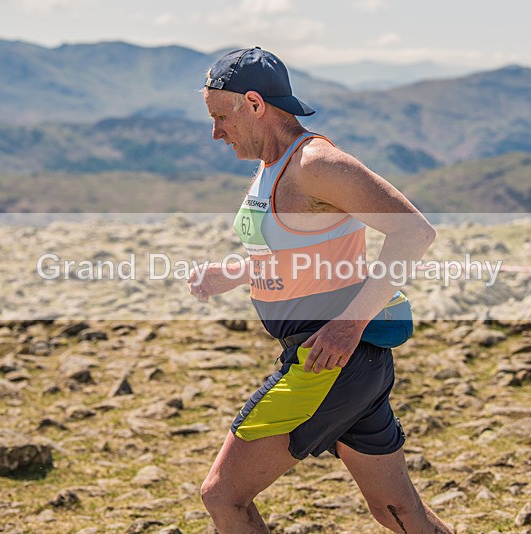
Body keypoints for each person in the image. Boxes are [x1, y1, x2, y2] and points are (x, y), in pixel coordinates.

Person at [189, 47, 452, 533]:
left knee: (223, 496)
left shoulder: (319, 163)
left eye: (219, 116)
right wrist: (234, 272)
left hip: (326, 360)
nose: (215, 132)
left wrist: (348, 327)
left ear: (253, 103)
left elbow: (414, 232)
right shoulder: (274, 164)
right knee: (397, 511)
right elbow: (297, 250)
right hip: (348, 362)